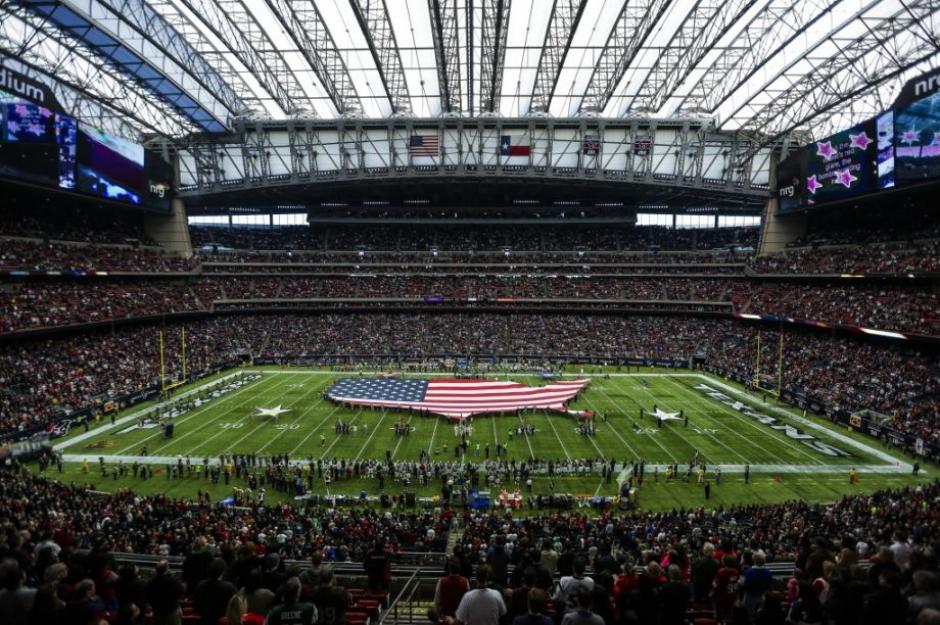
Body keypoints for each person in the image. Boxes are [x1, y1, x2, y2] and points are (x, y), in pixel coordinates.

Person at [194, 558, 237, 625]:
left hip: (204, 620)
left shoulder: (200, 584)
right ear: (223, 571)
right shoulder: (229, 587)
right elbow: (236, 607)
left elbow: (196, 606)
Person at [146, 560, 184, 625]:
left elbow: (148, 597)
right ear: (167, 569)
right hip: (172, 612)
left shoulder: (150, 582)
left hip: (157, 612)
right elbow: (181, 592)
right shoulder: (173, 581)